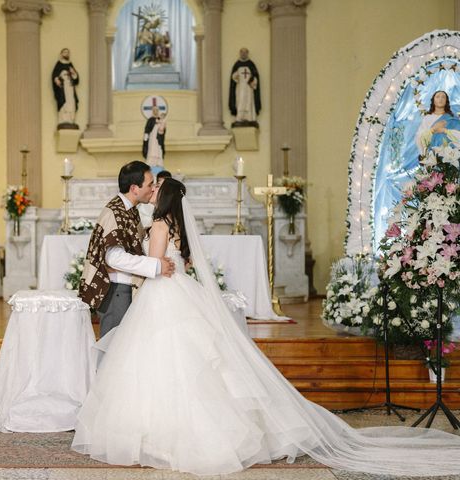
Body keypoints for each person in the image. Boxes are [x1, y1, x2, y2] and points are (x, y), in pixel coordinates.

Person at [72, 177, 460, 477]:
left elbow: (158, 266)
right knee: (195, 363)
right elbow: (180, 264)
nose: (153, 191)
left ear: (165, 197)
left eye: (157, 188)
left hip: (162, 298)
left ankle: (161, 435)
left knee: (162, 364)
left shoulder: (158, 225)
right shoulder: (176, 225)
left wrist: (151, 264)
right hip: (180, 294)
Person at [78, 161, 175, 338]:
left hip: (123, 287)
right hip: (116, 289)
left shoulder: (129, 210)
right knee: (113, 346)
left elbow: (133, 242)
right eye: (150, 184)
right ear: (134, 188)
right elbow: (114, 257)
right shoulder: (115, 212)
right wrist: (155, 266)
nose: (153, 188)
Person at [416, 90, 460, 156]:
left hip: (452, 155)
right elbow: (419, 138)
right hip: (434, 156)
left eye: (443, 97)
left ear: (446, 101)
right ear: (433, 101)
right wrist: (432, 130)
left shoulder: (452, 118)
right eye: (437, 97)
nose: (440, 99)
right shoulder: (427, 118)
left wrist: (445, 131)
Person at [229, 48, 261, 127]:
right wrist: (235, 76)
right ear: (240, 53)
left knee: (249, 101)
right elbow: (233, 78)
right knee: (240, 101)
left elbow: (255, 75)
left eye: (245, 52)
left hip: (248, 88)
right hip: (240, 88)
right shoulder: (237, 64)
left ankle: (249, 118)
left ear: (247, 53)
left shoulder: (251, 64)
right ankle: (240, 118)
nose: (243, 54)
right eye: (242, 52)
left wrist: (252, 80)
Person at [52, 48, 79, 128]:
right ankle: (63, 121)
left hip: (70, 88)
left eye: (68, 53)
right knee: (64, 103)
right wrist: (57, 79)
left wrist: (74, 74)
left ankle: (71, 120)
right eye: (65, 52)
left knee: (72, 103)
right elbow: (54, 75)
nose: (66, 54)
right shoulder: (58, 64)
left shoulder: (70, 64)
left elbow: (76, 79)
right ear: (61, 54)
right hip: (63, 89)